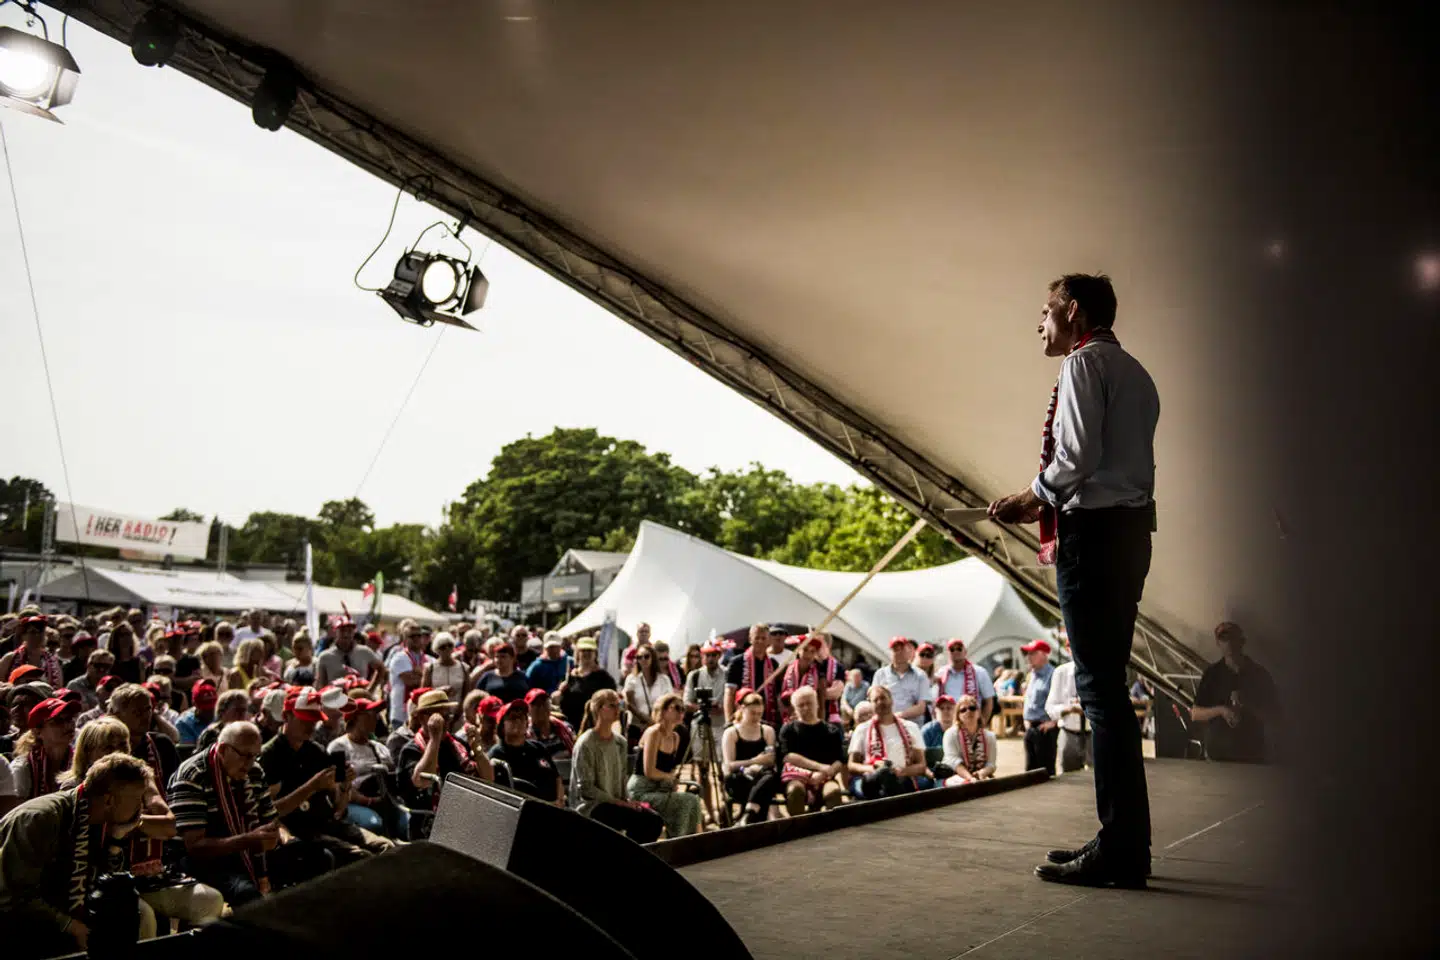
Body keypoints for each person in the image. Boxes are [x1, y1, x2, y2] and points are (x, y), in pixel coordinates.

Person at [988, 273, 1157, 888]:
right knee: (1107, 689)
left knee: (1099, 692)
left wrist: (1031, 498)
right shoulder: (1136, 373)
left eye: (1046, 310)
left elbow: (1078, 456)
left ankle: (1121, 850)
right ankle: (1123, 841)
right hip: (1131, 533)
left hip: (1095, 537)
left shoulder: (1084, 367)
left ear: (1074, 310)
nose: (1040, 322)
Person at [60, 718, 224, 934]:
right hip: (95, 879)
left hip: (147, 875)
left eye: (122, 745)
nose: (117, 751)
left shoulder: (141, 780)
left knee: (209, 900)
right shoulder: (74, 788)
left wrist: (128, 822)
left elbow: (168, 827)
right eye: (108, 747)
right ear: (88, 752)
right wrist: (139, 821)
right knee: (142, 916)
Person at [0, 753, 152, 958]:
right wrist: (71, 926)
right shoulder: (40, 819)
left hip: (54, 920)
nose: (142, 808)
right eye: (138, 799)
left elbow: (107, 886)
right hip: (15, 928)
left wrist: (117, 839)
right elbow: (15, 896)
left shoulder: (102, 822)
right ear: (109, 800)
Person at [169, 721, 319, 905]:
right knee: (247, 894)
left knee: (317, 859)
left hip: (248, 849)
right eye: (245, 756)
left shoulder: (253, 771)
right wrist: (250, 839)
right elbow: (195, 847)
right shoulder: (193, 776)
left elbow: (270, 818)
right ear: (223, 750)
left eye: (255, 756)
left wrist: (281, 837)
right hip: (203, 859)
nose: (250, 764)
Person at [259, 687, 393, 866]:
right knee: (360, 858)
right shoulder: (270, 755)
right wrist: (311, 787)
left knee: (386, 847)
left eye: (313, 720)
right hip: (299, 830)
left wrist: (345, 785)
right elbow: (269, 812)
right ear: (286, 717)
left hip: (327, 823)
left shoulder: (316, 751)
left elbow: (339, 808)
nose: (310, 726)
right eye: (305, 720)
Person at [569, 689, 664, 843]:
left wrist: (627, 801)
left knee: (653, 820)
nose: (617, 709)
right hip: (591, 806)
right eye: (612, 705)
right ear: (599, 709)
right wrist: (618, 802)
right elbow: (586, 788)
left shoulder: (620, 742)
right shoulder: (586, 743)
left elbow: (621, 778)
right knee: (630, 819)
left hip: (615, 804)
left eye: (619, 705)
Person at [396, 689, 493, 828]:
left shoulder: (456, 744)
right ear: (423, 718)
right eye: (440, 717)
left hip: (466, 813)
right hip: (430, 821)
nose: (445, 722)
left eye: (447, 717)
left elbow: (488, 779)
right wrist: (434, 739)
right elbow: (422, 781)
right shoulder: (411, 750)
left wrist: (477, 749)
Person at [1190, 622, 1279, 763]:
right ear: (1218, 643)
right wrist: (1221, 710)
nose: (1228, 642)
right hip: (1218, 757)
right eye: (1223, 638)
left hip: (1252, 757)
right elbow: (1195, 714)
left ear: (1242, 641)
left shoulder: (1259, 674)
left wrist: (1248, 704)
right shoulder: (1212, 674)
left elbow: (1274, 717)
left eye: (1232, 637)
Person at [626, 693, 701, 837]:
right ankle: (679, 840)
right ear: (664, 710)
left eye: (683, 709)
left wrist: (671, 782)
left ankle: (691, 839)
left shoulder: (675, 737)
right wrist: (670, 777)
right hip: (641, 790)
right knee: (687, 800)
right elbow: (649, 771)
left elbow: (669, 768)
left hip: (661, 789)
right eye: (676, 708)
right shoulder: (654, 732)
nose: (681, 713)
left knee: (693, 801)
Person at [326, 698, 398, 837]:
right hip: (354, 802)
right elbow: (336, 786)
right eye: (370, 715)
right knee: (374, 825)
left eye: (376, 714)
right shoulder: (338, 747)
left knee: (407, 824)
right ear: (354, 718)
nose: (376, 718)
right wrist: (367, 800)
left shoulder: (379, 747)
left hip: (385, 801)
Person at [847, 685, 926, 800]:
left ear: (891, 699)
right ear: (871, 704)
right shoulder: (862, 729)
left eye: (883, 698)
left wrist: (900, 772)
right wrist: (874, 769)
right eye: (876, 700)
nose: (880, 702)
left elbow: (921, 766)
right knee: (883, 775)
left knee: (889, 783)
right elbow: (851, 765)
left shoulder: (910, 727)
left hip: (902, 777)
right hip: (871, 779)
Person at [777, 686, 847, 815]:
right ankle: (799, 830)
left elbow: (840, 759)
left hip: (825, 777)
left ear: (817, 704)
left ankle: (832, 831)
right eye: (801, 705)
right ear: (795, 709)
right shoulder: (789, 730)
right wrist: (818, 768)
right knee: (795, 791)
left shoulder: (831, 730)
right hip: (796, 777)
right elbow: (788, 756)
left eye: (809, 703)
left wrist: (823, 774)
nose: (805, 708)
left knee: (833, 792)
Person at [488, 699, 564, 805]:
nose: (518, 721)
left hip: (554, 809)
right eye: (513, 718)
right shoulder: (497, 755)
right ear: (502, 726)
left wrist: (560, 800)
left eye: (522, 718)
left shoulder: (538, 748)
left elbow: (556, 777)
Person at [721, 690, 779, 825]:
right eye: (752, 713)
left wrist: (759, 766)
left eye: (759, 714)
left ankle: (748, 814)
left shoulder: (767, 731)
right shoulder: (731, 732)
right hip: (740, 776)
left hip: (762, 775)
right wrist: (753, 762)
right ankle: (752, 818)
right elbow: (729, 765)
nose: (756, 717)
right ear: (743, 709)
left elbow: (770, 759)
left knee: (769, 777)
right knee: (763, 788)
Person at [9, 697, 79, 799]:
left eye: (69, 719)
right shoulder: (23, 767)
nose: (67, 725)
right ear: (37, 732)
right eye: (57, 721)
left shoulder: (80, 760)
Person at [1045, 634, 1092, 773]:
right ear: (1068, 649)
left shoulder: (1099, 671)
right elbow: (1050, 707)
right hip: (1069, 732)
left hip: (1093, 733)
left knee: (1098, 776)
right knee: (1068, 775)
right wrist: (1069, 709)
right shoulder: (1061, 672)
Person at [777, 634, 843, 725]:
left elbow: (821, 705)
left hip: (811, 722)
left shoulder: (819, 674)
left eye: (812, 651)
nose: (808, 655)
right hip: (788, 719)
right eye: (805, 650)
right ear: (799, 650)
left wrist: (820, 726)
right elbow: (779, 696)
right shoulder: (786, 669)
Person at [725, 625, 780, 726]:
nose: (760, 641)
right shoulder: (737, 662)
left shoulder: (773, 664)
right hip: (743, 720)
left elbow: (778, 695)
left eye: (763, 638)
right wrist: (729, 720)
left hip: (767, 719)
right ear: (750, 639)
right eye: (757, 638)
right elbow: (729, 693)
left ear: (768, 641)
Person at [934, 638, 996, 727]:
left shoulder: (979, 672)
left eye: (959, 649)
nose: (956, 652)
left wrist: (982, 723)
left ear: (965, 652)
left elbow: (989, 701)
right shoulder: (942, 672)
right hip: (946, 723)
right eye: (952, 649)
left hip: (970, 722)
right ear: (948, 653)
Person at [556, 638, 614, 730]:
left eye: (589, 650)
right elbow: (560, 702)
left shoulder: (604, 677)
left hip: (595, 727)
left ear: (595, 653)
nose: (586, 653)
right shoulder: (569, 676)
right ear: (578, 653)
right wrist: (560, 692)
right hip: (571, 726)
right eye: (583, 650)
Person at [1019, 639, 1059, 775]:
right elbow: (1029, 700)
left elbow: (1061, 699)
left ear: (1044, 655)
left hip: (1045, 730)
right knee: (1030, 771)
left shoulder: (1054, 675)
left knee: (1045, 772)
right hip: (1031, 728)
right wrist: (1026, 720)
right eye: (1027, 653)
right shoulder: (1032, 675)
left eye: (1033, 653)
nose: (1028, 657)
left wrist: (1054, 722)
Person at [871, 636, 933, 723]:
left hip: (912, 726)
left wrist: (898, 716)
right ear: (890, 653)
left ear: (908, 651)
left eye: (902, 649)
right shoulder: (880, 674)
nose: (899, 652)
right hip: (886, 724)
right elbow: (874, 701)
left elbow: (921, 708)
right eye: (895, 649)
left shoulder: (921, 675)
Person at [313, 618, 386, 690]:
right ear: (336, 632)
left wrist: (371, 689)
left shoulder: (364, 651)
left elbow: (381, 668)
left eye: (349, 631)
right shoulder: (325, 656)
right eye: (342, 631)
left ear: (354, 632)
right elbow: (320, 684)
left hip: (359, 698)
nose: (346, 634)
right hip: (335, 699)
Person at [942, 695, 998, 785]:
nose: (968, 712)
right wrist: (970, 778)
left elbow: (991, 764)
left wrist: (982, 773)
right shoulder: (950, 734)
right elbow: (953, 761)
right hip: (955, 776)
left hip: (981, 776)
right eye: (963, 710)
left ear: (978, 713)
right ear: (958, 716)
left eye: (972, 708)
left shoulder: (990, 736)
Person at [622, 643, 672, 741]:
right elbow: (629, 704)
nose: (643, 659)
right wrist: (647, 720)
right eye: (639, 657)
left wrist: (656, 721)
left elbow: (669, 701)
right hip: (637, 727)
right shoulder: (632, 679)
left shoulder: (664, 679)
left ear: (653, 657)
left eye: (646, 656)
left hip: (660, 725)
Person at [386, 620, 430, 730]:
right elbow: (410, 682)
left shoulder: (429, 659)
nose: (416, 638)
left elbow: (429, 681)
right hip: (401, 716)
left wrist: (419, 672)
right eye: (412, 636)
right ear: (405, 639)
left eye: (419, 635)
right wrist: (426, 674)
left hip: (420, 715)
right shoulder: (399, 658)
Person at [0, 615, 63, 691]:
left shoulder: (53, 661)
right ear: (24, 635)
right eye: (33, 632)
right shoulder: (10, 658)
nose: (37, 635)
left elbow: (58, 688)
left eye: (41, 631)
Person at [524, 688, 575, 760]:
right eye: (536, 705)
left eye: (544, 703)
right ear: (528, 710)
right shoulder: (525, 736)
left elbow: (576, 753)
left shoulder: (566, 728)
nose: (541, 708)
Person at [422, 632, 468, 704]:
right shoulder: (430, 668)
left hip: (458, 711)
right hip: (436, 710)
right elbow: (423, 693)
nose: (447, 648)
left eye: (450, 645)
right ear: (436, 650)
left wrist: (461, 709)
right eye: (442, 647)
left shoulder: (463, 667)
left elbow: (467, 692)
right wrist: (438, 691)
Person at [921, 695, 959, 779]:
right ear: (935, 711)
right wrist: (932, 775)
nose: (945, 711)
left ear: (955, 710)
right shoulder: (927, 731)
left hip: (957, 773)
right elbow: (920, 761)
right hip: (930, 774)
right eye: (941, 708)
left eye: (949, 708)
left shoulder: (960, 730)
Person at [65, 648, 114, 712]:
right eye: (98, 665)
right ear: (88, 665)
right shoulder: (75, 685)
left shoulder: (112, 686)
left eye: (106, 666)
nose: (102, 669)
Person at [176, 680, 219, 746]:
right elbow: (189, 752)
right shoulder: (184, 723)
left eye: (212, 708)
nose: (210, 712)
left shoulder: (223, 716)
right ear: (194, 704)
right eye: (206, 710)